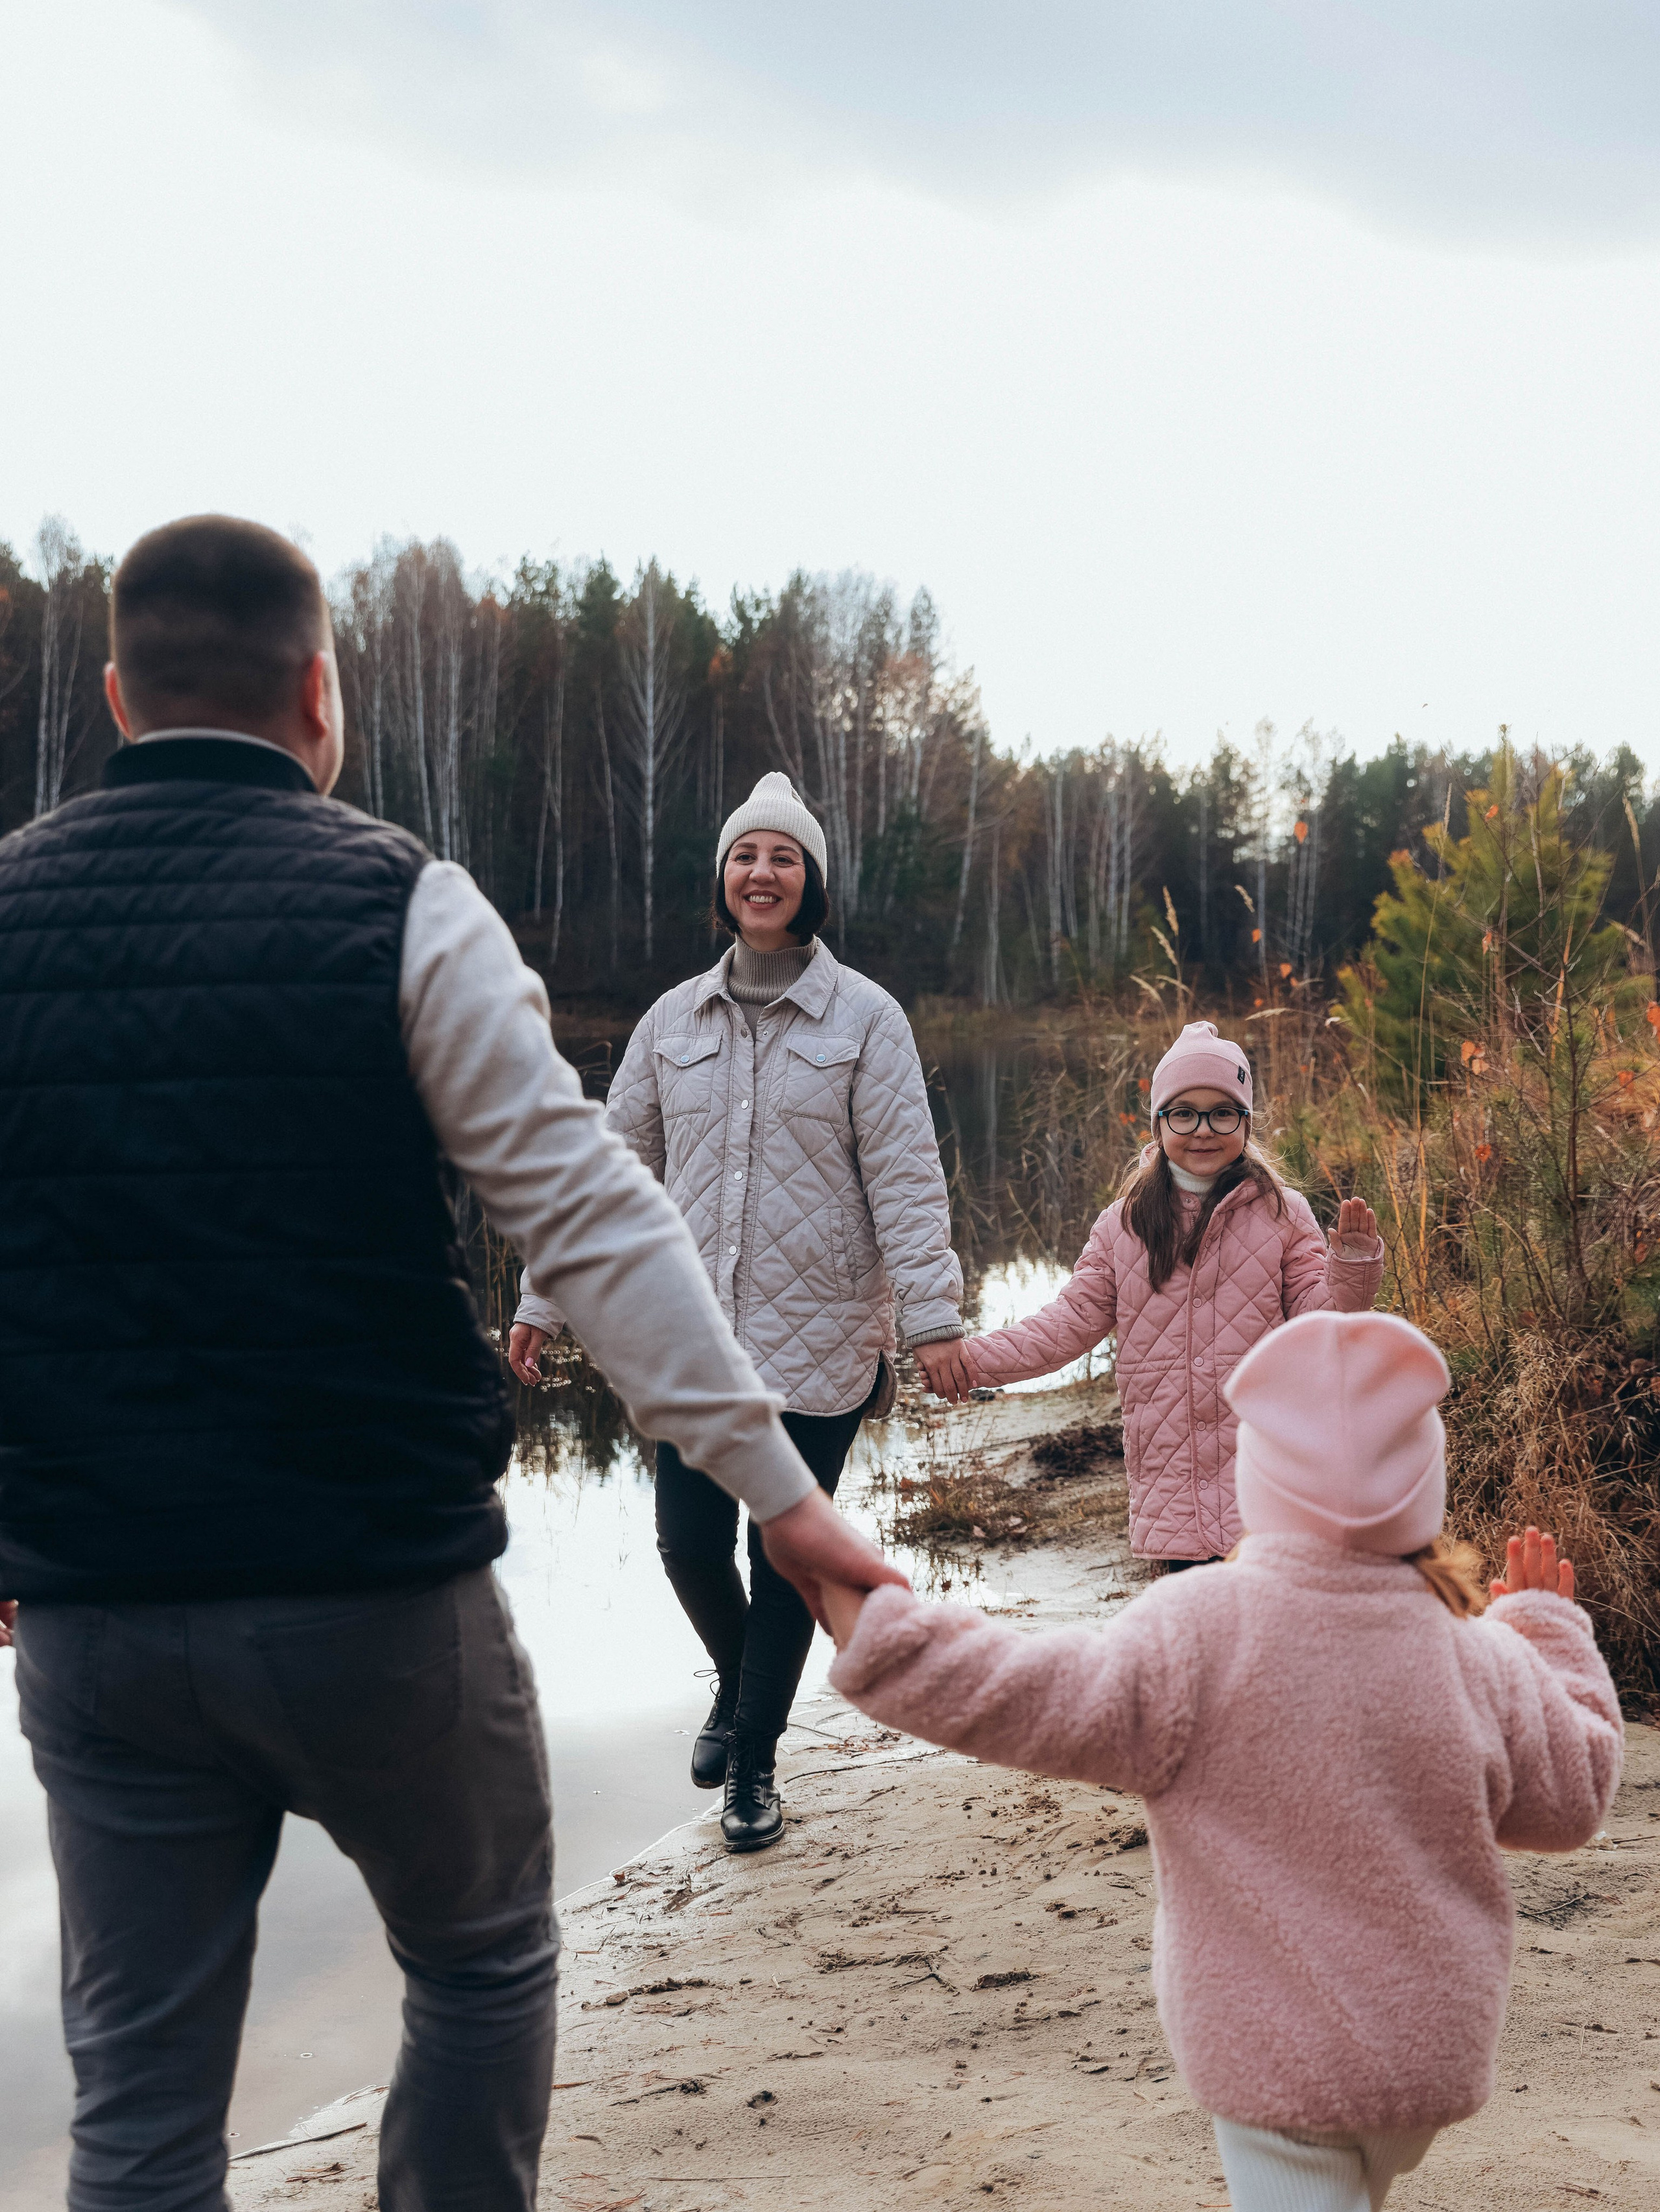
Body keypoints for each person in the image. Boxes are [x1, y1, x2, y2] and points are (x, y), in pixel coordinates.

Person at [0, 517, 903, 2212]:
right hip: (375, 1594)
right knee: (481, 1964)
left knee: (135, 2101)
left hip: (98, 1613)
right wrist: (780, 1492)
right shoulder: (403, 900)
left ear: (119, 696)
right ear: (324, 695)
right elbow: (589, 1215)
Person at [820, 1309, 1624, 2212]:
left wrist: (872, 1622)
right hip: (1428, 2052)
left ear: (1259, 1474)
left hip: (1276, 2061)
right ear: (1423, 1479)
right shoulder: (1476, 1651)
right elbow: (1575, 1797)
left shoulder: (1198, 1632)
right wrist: (1549, 1631)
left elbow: (1019, 1692)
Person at [511, 771, 968, 1851]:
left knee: (789, 1563)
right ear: (723, 879)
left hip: (821, 1343)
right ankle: (737, 1681)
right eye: (745, 856)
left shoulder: (867, 1019)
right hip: (695, 1349)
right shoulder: (674, 1019)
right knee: (684, 1542)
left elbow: (907, 1176)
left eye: (784, 858)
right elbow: (605, 1168)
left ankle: (753, 1765)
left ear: (811, 883)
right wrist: (544, 1291)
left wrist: (933, 1317)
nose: (762, 873)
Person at [928, 1017, 1385, 1566]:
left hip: (1267, 1488)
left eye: (1222, 1112)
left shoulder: (1283, 1213)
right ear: (1159, 1124)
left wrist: (1352, 1270)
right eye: (1184, 1113)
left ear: (1245, 1122)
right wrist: (967, 1361)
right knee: (1187, 1645)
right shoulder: (1123, 1226)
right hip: (1173, 1491)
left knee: (1264, 1643)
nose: (1202, 1130)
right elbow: (1063, 1326)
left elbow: (1320, 1323)